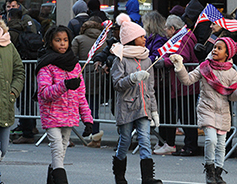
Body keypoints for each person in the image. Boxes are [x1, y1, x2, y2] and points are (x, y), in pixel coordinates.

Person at [169, 37, 237, 184]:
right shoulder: (205, 66)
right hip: (207, 109)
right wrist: (180, 67)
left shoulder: (231, 72)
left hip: (223, 111)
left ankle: (218, 172)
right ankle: (209, 170)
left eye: (219, 48)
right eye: (215, 47)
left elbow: (231, 97)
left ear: (227, 53)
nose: (215, 50)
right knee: (211, 140)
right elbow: (187, 80)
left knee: (221, 145)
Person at [35, 25, 93, 183]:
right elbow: (44, 93)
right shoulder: (46, 65)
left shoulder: (75, 65)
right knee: (57, 148)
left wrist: (87, 119)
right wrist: (65, 85)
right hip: (52, 114)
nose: (62, 44)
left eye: (65, 40)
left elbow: (81, 95)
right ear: (50, 42)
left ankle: (52, 178)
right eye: (58, 40)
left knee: (61, 152)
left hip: (69, 115)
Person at [110, 13, 162, 184]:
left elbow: (150, 87)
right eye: (140, 36)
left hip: (144, 107)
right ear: (132, 38)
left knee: (145, 140)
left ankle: (147, 178)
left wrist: (154, 110)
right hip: (126, 107)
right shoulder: (120, 59)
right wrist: (132, 78)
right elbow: (117, 84)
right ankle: (119, 174)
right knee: (125, 140)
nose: (144, 38)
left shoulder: (147, 59)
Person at [155, 15, 200, 156]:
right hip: (183, 83)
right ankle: (189, 145)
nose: (165, 32)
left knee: (187, 116)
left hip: (185, 83)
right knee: (186, 115)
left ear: (172, 28)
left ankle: (190, 146)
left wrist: (165, 62)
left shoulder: (183, 38)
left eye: (166, 29)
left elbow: (181, 57)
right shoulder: (184, 36)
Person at [72, 19, 106, 148]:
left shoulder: (79, 39)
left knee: (78, 106)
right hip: (99, 77)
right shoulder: (102, 41)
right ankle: (95, 134)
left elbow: (72, 56)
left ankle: (82, 130)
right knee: (94, 108)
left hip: (82, 77)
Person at [7, 8, 40, 144]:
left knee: (23, 102)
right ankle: (31, 127)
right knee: (29, 101)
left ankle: (27, 133)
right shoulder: (26, 29)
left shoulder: (11, 33)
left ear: (9, 18)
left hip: (19, 71)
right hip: (30, 70)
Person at [141, 11, 171, 154]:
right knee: (159, 112)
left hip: (160, 81)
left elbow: (155, 56)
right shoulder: (151, 38)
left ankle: (165, 141)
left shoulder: (159, 39)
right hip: (154, 80)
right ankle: (162, 140)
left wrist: (143, 59)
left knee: (163, 112)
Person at [0, 19, 25, 184]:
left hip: (5, 104)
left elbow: (19, 70)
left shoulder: (7, 44)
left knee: (3, 149)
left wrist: (13, 92)